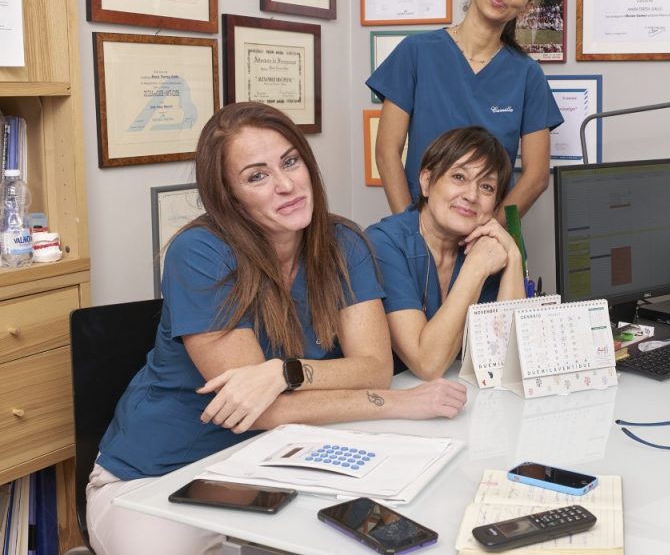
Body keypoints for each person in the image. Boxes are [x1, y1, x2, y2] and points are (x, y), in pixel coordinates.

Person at [86, 103, 467, 555]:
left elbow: (373, 366)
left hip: (272, 467)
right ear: (229, 195)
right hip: (161, 477)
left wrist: (284, 373)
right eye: (256, 176)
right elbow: (262, 411)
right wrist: (398, 404)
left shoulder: (343, 243)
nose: (287, 185)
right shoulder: (199, 252)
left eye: (290, 161)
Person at [367, 0, 564, 220]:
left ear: (526, 7)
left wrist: (488, 234)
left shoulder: (527, 75)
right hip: (421, 230)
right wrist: (409, 233)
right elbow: (387, 152)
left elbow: (537, 177)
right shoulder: (416, 52)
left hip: (488, 234)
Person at [367, 126, 524, 380]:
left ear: (495, 204)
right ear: (427, 182)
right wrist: (475, 268)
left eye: (486, 187)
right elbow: (427, 364)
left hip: (458, 403)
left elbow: (508, 360)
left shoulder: (487, 247)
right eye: (459, 177)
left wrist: (514, 257)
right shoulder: (383, 244)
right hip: (393, 404)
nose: (471, 196)